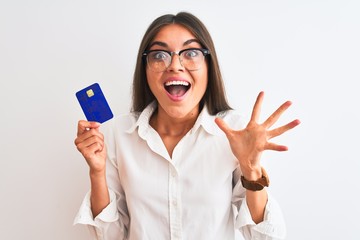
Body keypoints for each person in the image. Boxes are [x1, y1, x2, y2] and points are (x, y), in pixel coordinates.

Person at [73, 12, 300, 240]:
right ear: (145, 69)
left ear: (209, 66)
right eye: (159, 55)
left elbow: (266, 237)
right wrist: (97, 172)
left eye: (191, 53)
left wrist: (251, 171)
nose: (174, 65)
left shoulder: (235, 133)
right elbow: (109, 236)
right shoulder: (117, 134)